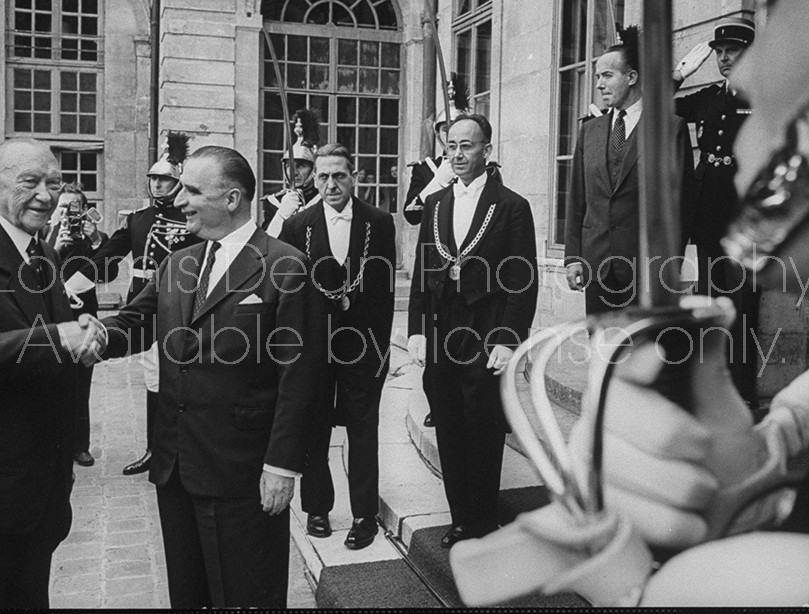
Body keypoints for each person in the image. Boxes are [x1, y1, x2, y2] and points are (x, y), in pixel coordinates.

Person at [91, 145, 319, 608]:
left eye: (192, 190)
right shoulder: (179, 262)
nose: (178, 201)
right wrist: (81, 337)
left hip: (241, 472)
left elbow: (300, 378)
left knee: (246, 594)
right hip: (176, 466)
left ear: (232, 199)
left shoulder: (286, 266)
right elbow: (134, 325)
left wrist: (281, 466)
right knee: (188, 594)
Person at [407, 114, 538, 547]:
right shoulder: (436, 202)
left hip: (486, 326)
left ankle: (482, 518)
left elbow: (523, 279)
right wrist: (418, 329)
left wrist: (507, 338)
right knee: (446, 422)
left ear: (487, 149)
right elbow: (424, 271)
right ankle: (461, 515)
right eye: (452, 146)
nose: (458, 154)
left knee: (481, 425)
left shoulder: (512, 206)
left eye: (467, 145)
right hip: (443, 327)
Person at [0, 138, 105, 607]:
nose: (45, 195)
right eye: (29, 182)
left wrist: (86, 337)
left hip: (38, 486)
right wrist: (59, 338)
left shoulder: (43, 251)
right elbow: (48, 339)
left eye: (54, 184)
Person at [278, 143, 396, 550]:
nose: (331, 184)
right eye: (324, 176)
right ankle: (317, 508)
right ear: (313, 178)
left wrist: (380, 353)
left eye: (340, 175)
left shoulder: (378, 222)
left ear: (354, 176)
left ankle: (364, 514)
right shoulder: (298, 225)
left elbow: (384, 296)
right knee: (315, 427)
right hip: (314, 347)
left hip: (363, 346)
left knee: (363, 429)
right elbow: (289, 295)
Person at [89, 131, 202, 476]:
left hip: (181, 308)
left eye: (165, 180)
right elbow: (108, 257)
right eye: (153, 180)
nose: (157, 186)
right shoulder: (137, 219)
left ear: (178, 182)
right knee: (152, 376)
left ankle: (183, 449)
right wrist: (71, 279)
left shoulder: (190, 219)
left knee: (183, 378)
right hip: (144, 307)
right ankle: (156, 448)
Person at [564, 26, 695, 314]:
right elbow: (577, 200)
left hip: (648, 271)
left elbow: (681, 205)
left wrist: (669, 266)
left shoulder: (668, 128)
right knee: (602, 351)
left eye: (607, 75)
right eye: (598, 76)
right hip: (597, 267)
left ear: (632, 77)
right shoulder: (589, 131)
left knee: (645, 353)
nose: (599, 84)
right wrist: (573, 257)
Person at [403, 74, 502, 428]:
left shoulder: (493, 181)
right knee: (442, 394)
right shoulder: (428, 172)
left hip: (478, 306)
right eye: (444, 130)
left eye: (461, 137)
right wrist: (439, 179)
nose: (450, 140)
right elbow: (412, 212)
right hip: (441, 304)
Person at [672, 16, 760, 411]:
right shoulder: (708, 97)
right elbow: (659, 111)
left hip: (743, 221)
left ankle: (740, 394)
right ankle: (710, 392)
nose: (724, 59)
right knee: (708, 306)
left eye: (732, 52)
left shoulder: (764, 98)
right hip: (708, 218)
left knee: (741, 311)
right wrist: (675, 77)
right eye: (719, 53)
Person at [46, 183, 118, 467]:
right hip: (50, 318)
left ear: (86, 210)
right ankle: (52, 444)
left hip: (83, 317)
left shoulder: (95, 238)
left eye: (75, 207)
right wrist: (55, 248)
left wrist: (98, 242)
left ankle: (79, 445)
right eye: (63, 207)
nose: (69, 214)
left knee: (81, 382)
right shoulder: (43, 235)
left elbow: (110, 272)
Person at [262, 109, 322, 238]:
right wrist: (282, 214)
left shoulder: (323, 200)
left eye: (301, 166)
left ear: (313, 168)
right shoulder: (274, 202)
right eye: (289, 165)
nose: (294, 173)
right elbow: (266, 246)